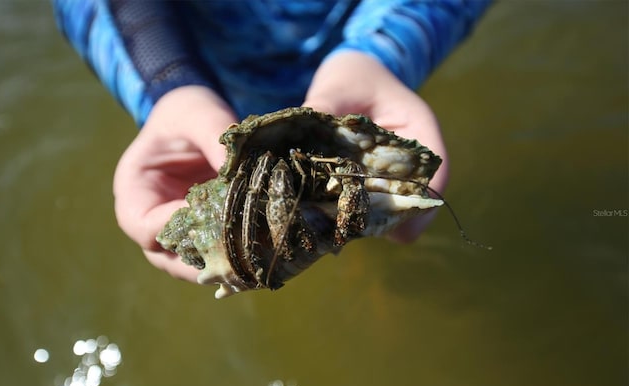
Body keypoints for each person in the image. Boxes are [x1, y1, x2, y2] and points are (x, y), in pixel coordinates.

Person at [52, 0, 491, 283]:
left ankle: (353, 244)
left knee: (369, 232)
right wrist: (171, 84)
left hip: (363, 72)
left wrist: (382, 53)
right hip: (213, 78)